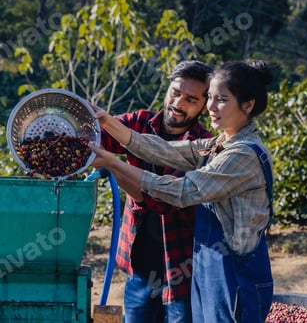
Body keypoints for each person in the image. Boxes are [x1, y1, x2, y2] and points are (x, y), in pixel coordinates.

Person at [90, 60, 275, 323]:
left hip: (235, 276)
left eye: (221, 99)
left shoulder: (242, 155)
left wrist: (113, 163)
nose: (210, 106)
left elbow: (184, 191)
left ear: (247, 105)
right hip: (210, 270)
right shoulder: (218, 144)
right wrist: (109, 123)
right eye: (210, 98)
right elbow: (167, 150)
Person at [99, 60, 213, 323]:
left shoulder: (202, 148)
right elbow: (98, 136)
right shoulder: (139, 123)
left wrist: (113, 165)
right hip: (140, 266)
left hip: (181, 269)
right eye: (175, 92)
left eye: (191, 99)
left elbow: (159, 201)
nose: (179, 102)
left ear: (204, 105)